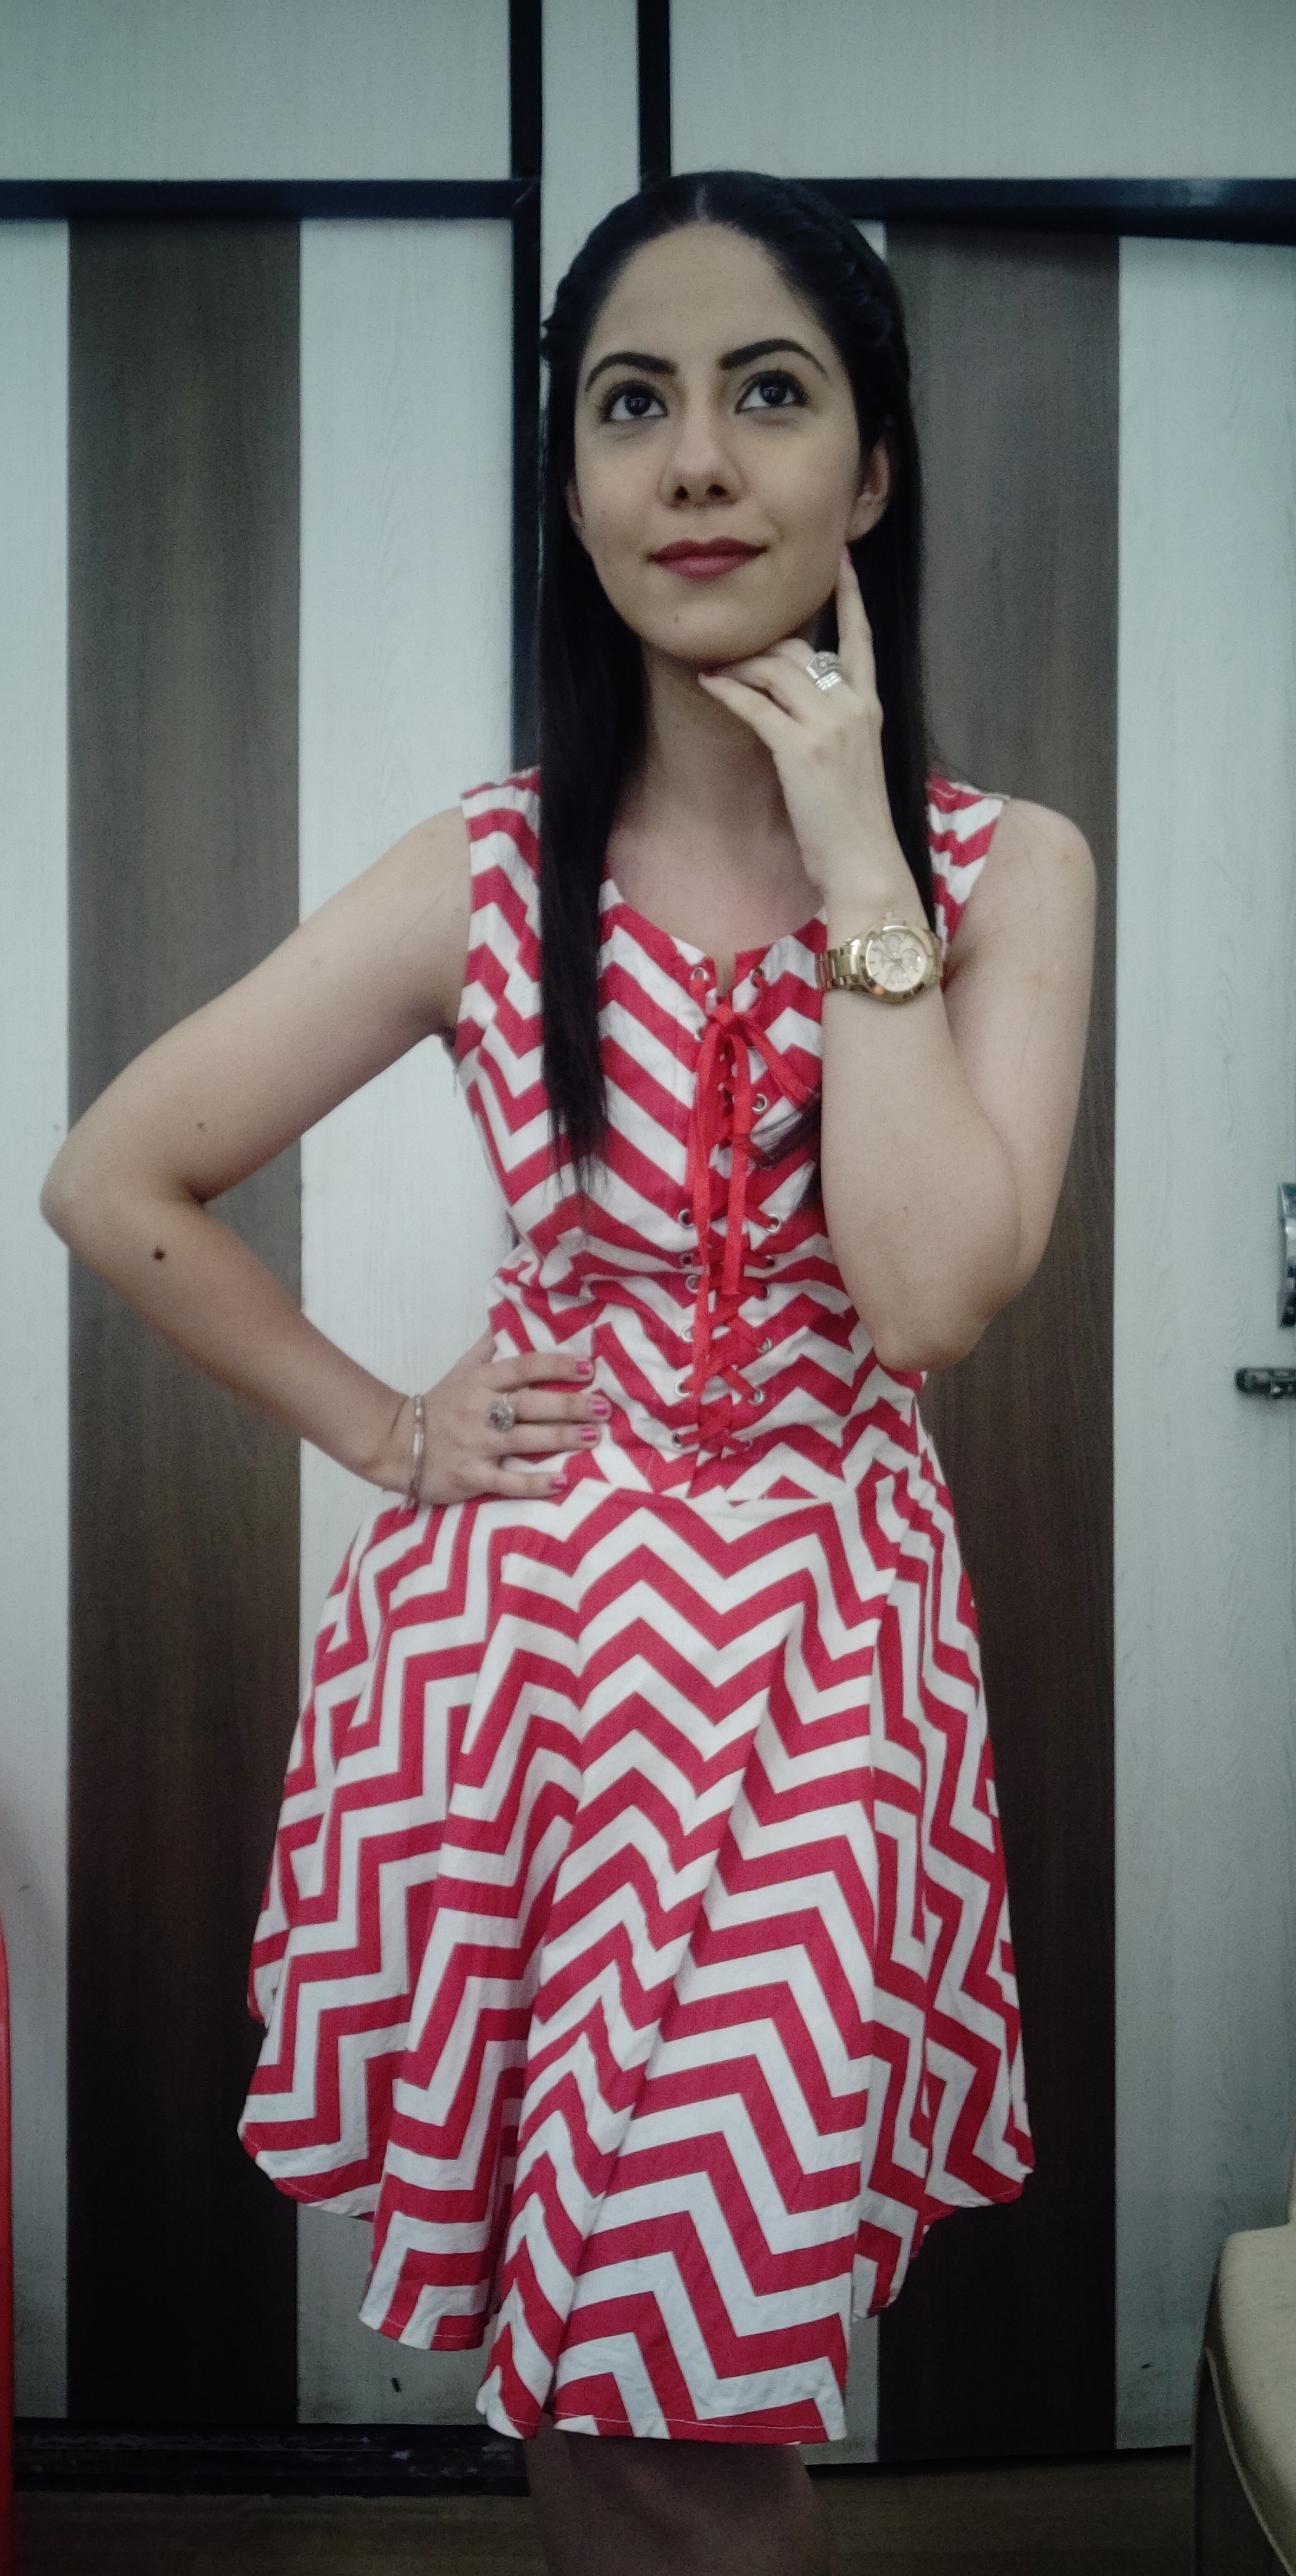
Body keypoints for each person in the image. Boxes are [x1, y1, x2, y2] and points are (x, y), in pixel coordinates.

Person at [42, 171, 1095, 2576]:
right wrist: (383, 1427)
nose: (695, 463)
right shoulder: (490, 867)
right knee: (588, 2376)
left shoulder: (1006, 869)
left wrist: (853, 854)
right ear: (574, 478)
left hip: (821, 1689)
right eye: (632, 405)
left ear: (873, 468)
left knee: (692, 2380)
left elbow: (929, 1297)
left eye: (767, 394)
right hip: (513, 1687)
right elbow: (114, 1178)